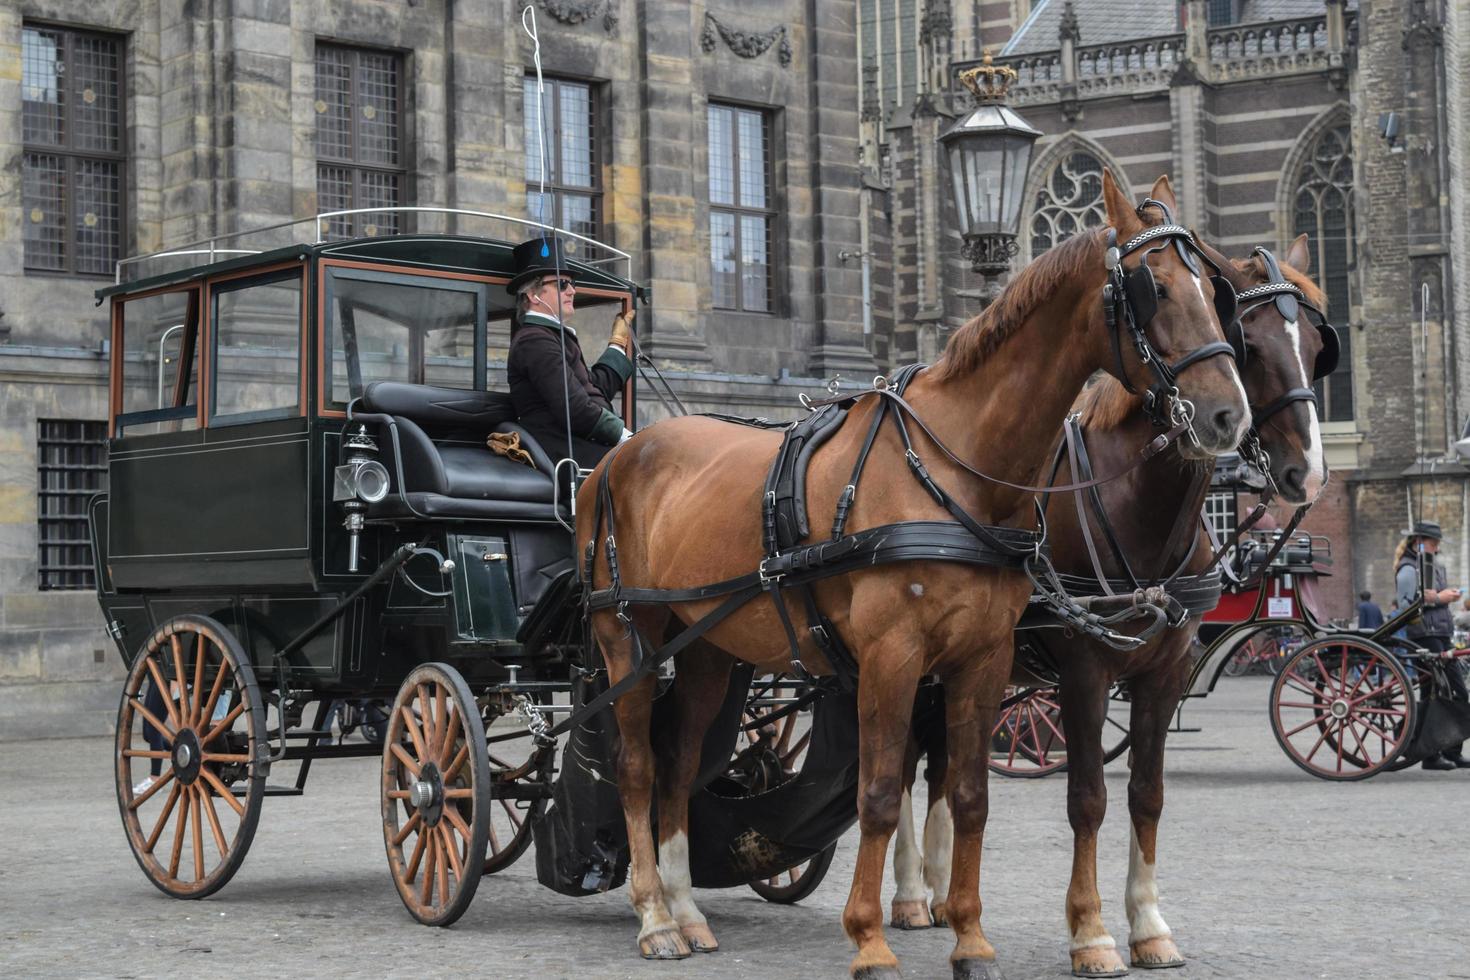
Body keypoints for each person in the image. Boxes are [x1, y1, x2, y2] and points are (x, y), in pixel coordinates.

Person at [506, 235, 635, 469]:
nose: (572, 291)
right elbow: (574, 407)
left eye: (572, 284)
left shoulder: (553, 336)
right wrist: (626, 437)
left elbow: (592, 389)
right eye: (561, 284)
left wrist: (617, 343)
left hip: (578, 442)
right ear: (533, 295)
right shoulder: (534, 340)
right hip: (560, 450)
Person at [1395, 520, 1468, 770]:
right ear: (1418, 542)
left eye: (1437, 544)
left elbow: (1429, 596)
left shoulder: (1432, 566)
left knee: (1456, 691)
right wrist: (1440, 597)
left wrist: (1445, 595)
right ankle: (1430, 755)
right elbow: (1408, 606)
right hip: (1425, 634)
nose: (1436, 548)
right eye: (1432, 543)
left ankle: (1451, 749)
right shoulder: (1407, 568)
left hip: (1440, 631)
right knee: (1433, 693)